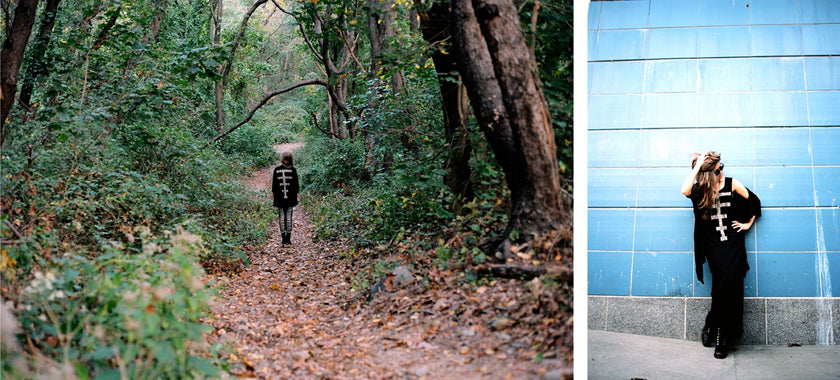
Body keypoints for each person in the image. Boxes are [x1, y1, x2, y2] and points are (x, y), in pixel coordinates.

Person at [680, 152, 761, 359]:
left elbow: (754, 201)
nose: (722, 171)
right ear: (708, 174)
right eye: (717, 170)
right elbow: (684, 190)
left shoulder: (732, 184)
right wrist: (697, 166)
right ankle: (720, 335)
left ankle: (718, 331)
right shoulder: (699, 191)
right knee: (722, 287)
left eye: (721, 166)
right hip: (714, 248)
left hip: (733, 246)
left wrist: (748, 223)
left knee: (730, 288)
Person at [272, 151, 300, 245]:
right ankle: (285, 238)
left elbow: (295, 184)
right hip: (286, 197)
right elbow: (274, 185)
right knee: (285, 217)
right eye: (286, 159)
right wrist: (297, 196)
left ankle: (286, 238)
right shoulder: (291, 170)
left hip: (284, 197)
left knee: (285, 217)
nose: (287, 161)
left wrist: (297, 196)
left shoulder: (280, 170)